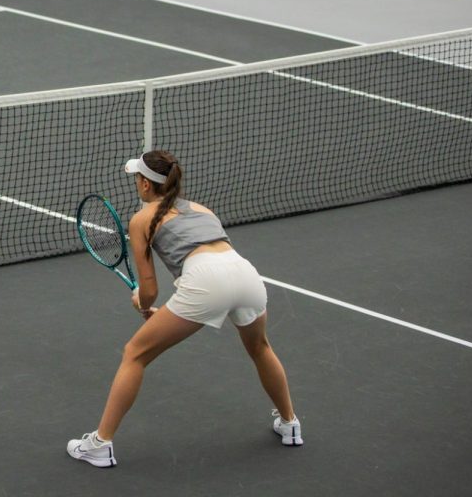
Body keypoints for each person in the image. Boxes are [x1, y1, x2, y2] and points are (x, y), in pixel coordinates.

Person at [67, 151, 301, 468]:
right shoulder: (204, 209)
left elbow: (150, 291)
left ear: (146, 186)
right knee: (260, 347)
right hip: (246, 275)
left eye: (137, 177)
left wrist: (143, 302)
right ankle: (290, 423)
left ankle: (100, 443)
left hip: (206, 282)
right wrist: (158, 309)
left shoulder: (141, 220)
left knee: (135, 353)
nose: (136, 182)